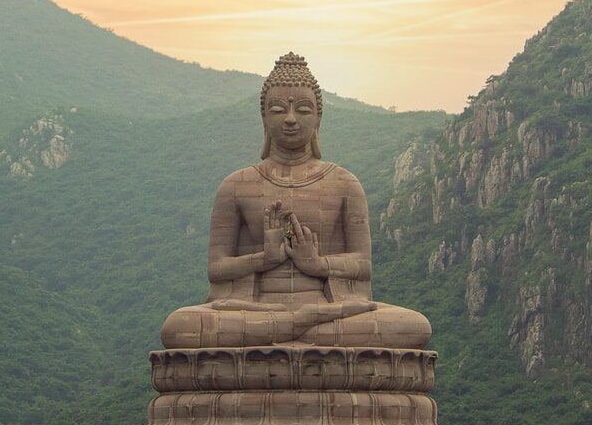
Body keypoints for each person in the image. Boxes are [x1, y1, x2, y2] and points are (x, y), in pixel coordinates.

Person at [160, 53, 432, 349]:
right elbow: (217, 268)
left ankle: (285, 330)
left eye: (303, 109)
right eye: (278, 110)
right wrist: (265, 258)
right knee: (180, 327)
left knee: (413, 326)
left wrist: (316, 263)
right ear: (264, 117)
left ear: (318, 117)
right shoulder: (236, 185)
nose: (290, 119)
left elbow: (363, 264)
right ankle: (300, 329)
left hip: (328, 310)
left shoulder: (344, 183)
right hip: (255, 310)